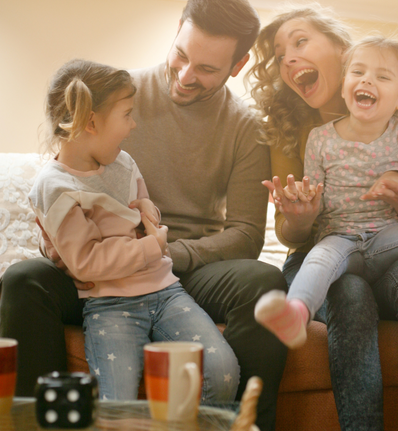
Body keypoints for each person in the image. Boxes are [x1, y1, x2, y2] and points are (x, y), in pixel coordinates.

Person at [0, 0, 287, 431]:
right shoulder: (114, 97)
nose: (186, 75)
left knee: (265, 281)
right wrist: (55, 239)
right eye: (181, 55)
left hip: (186, 267)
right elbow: (66, 180)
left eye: (207, 69)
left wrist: (164, 250)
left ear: (238, 66)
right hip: (102, 268)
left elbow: (247, 234)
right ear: (176, 32)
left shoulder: (245, 127)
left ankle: (240, 425)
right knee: (21, 280)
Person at [247, 5, 398, 430]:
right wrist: (302, 217)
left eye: (300, 41)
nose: (287, 58)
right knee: (351, 293)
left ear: (343, 51)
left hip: (388, 247)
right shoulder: (291, 130)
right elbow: (292, 237)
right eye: (279, 53)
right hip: (324, 258)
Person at [28, 58, 240, 402]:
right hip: (110, 303)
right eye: (126, 114)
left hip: (165, 292)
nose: (133, 125)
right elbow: (87, 262)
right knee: (118, 402)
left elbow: (146, 210)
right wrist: (153, 246)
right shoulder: (54, 188)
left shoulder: (123, 162)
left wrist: (146, 210)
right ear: (91, 122)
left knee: (221, 371)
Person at [255, 35, 398, 348]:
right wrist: (303, 200)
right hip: (339, 238)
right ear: (345, 84)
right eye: (358, 72)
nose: (367, 80)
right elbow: (315, 195)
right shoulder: (320, 139)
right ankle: (296, 314)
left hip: (389, 239)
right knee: (317, 258)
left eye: (382, 76)